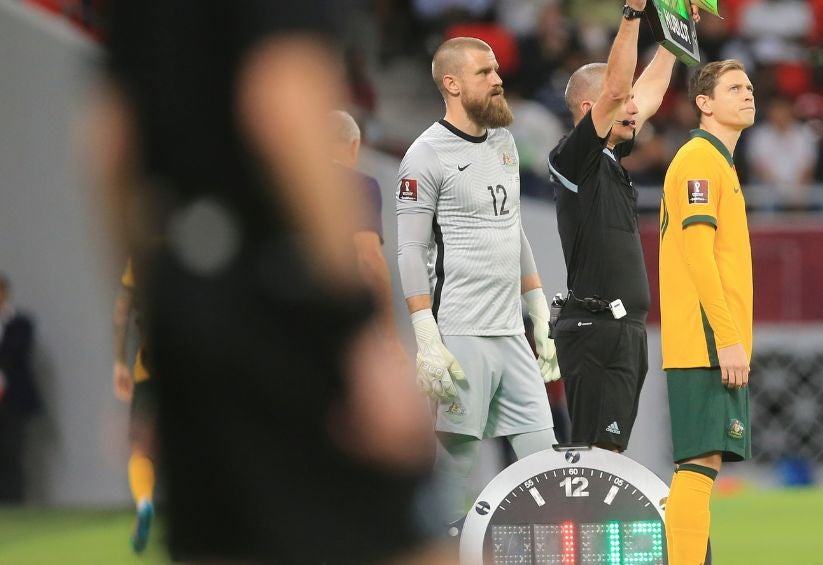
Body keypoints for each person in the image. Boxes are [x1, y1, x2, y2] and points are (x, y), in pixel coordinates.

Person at [92, 2, 441, 562]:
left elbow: (109, 142)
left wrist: (163, 340)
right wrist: (355, 333)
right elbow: (280, 96)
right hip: (287, 302)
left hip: (184, 299)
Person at [396, 36, 561, 528]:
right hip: (461, 332)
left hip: (511, 332)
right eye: (484, 72)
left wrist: (537, 311)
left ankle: (548, 553)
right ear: (451, 84)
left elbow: (514, 231)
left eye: (496, 71)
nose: (498, 79)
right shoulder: (424, 156)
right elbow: (410, 249)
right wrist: (426, 336)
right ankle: (441, 546)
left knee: (543, 454)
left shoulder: (506, 143)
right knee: (457, 459)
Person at [547, 1, 698, 452]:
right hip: (594, 329)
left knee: (609, 453)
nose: (637, 108)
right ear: (593, 107)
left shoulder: (610, 157)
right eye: (623, 101)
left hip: (623, 327)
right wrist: (632, 15)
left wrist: (676, 30)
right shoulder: (572, 159)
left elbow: (643, 93)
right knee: (595, 456)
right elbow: (618, 90)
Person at [659, 59, 756, 564]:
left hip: (710, 339)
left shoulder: (717, 161)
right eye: (735, 87)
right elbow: (698, 255)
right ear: (704, 103)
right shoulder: (699, 159)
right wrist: (728, 337)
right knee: (698, 464)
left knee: (704, 464)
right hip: (705, 339)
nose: (748, 93)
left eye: (749, 86)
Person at [329, 110, 401, 344]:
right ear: (355, 145)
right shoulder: (360, 185)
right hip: (338, 309)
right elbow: (369, 258)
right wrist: (389, 333)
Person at [112, 260, 155, 553]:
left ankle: (144, 503)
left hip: (148, 367)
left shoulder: (138, 254)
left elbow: (122, 312)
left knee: (141, 449)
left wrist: (119, 363)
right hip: (198, 366)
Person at [0, 273, 40, 504]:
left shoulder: (21, 323)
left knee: (13, 454)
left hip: (13, 401)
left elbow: (16, 354)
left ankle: (14, 504)